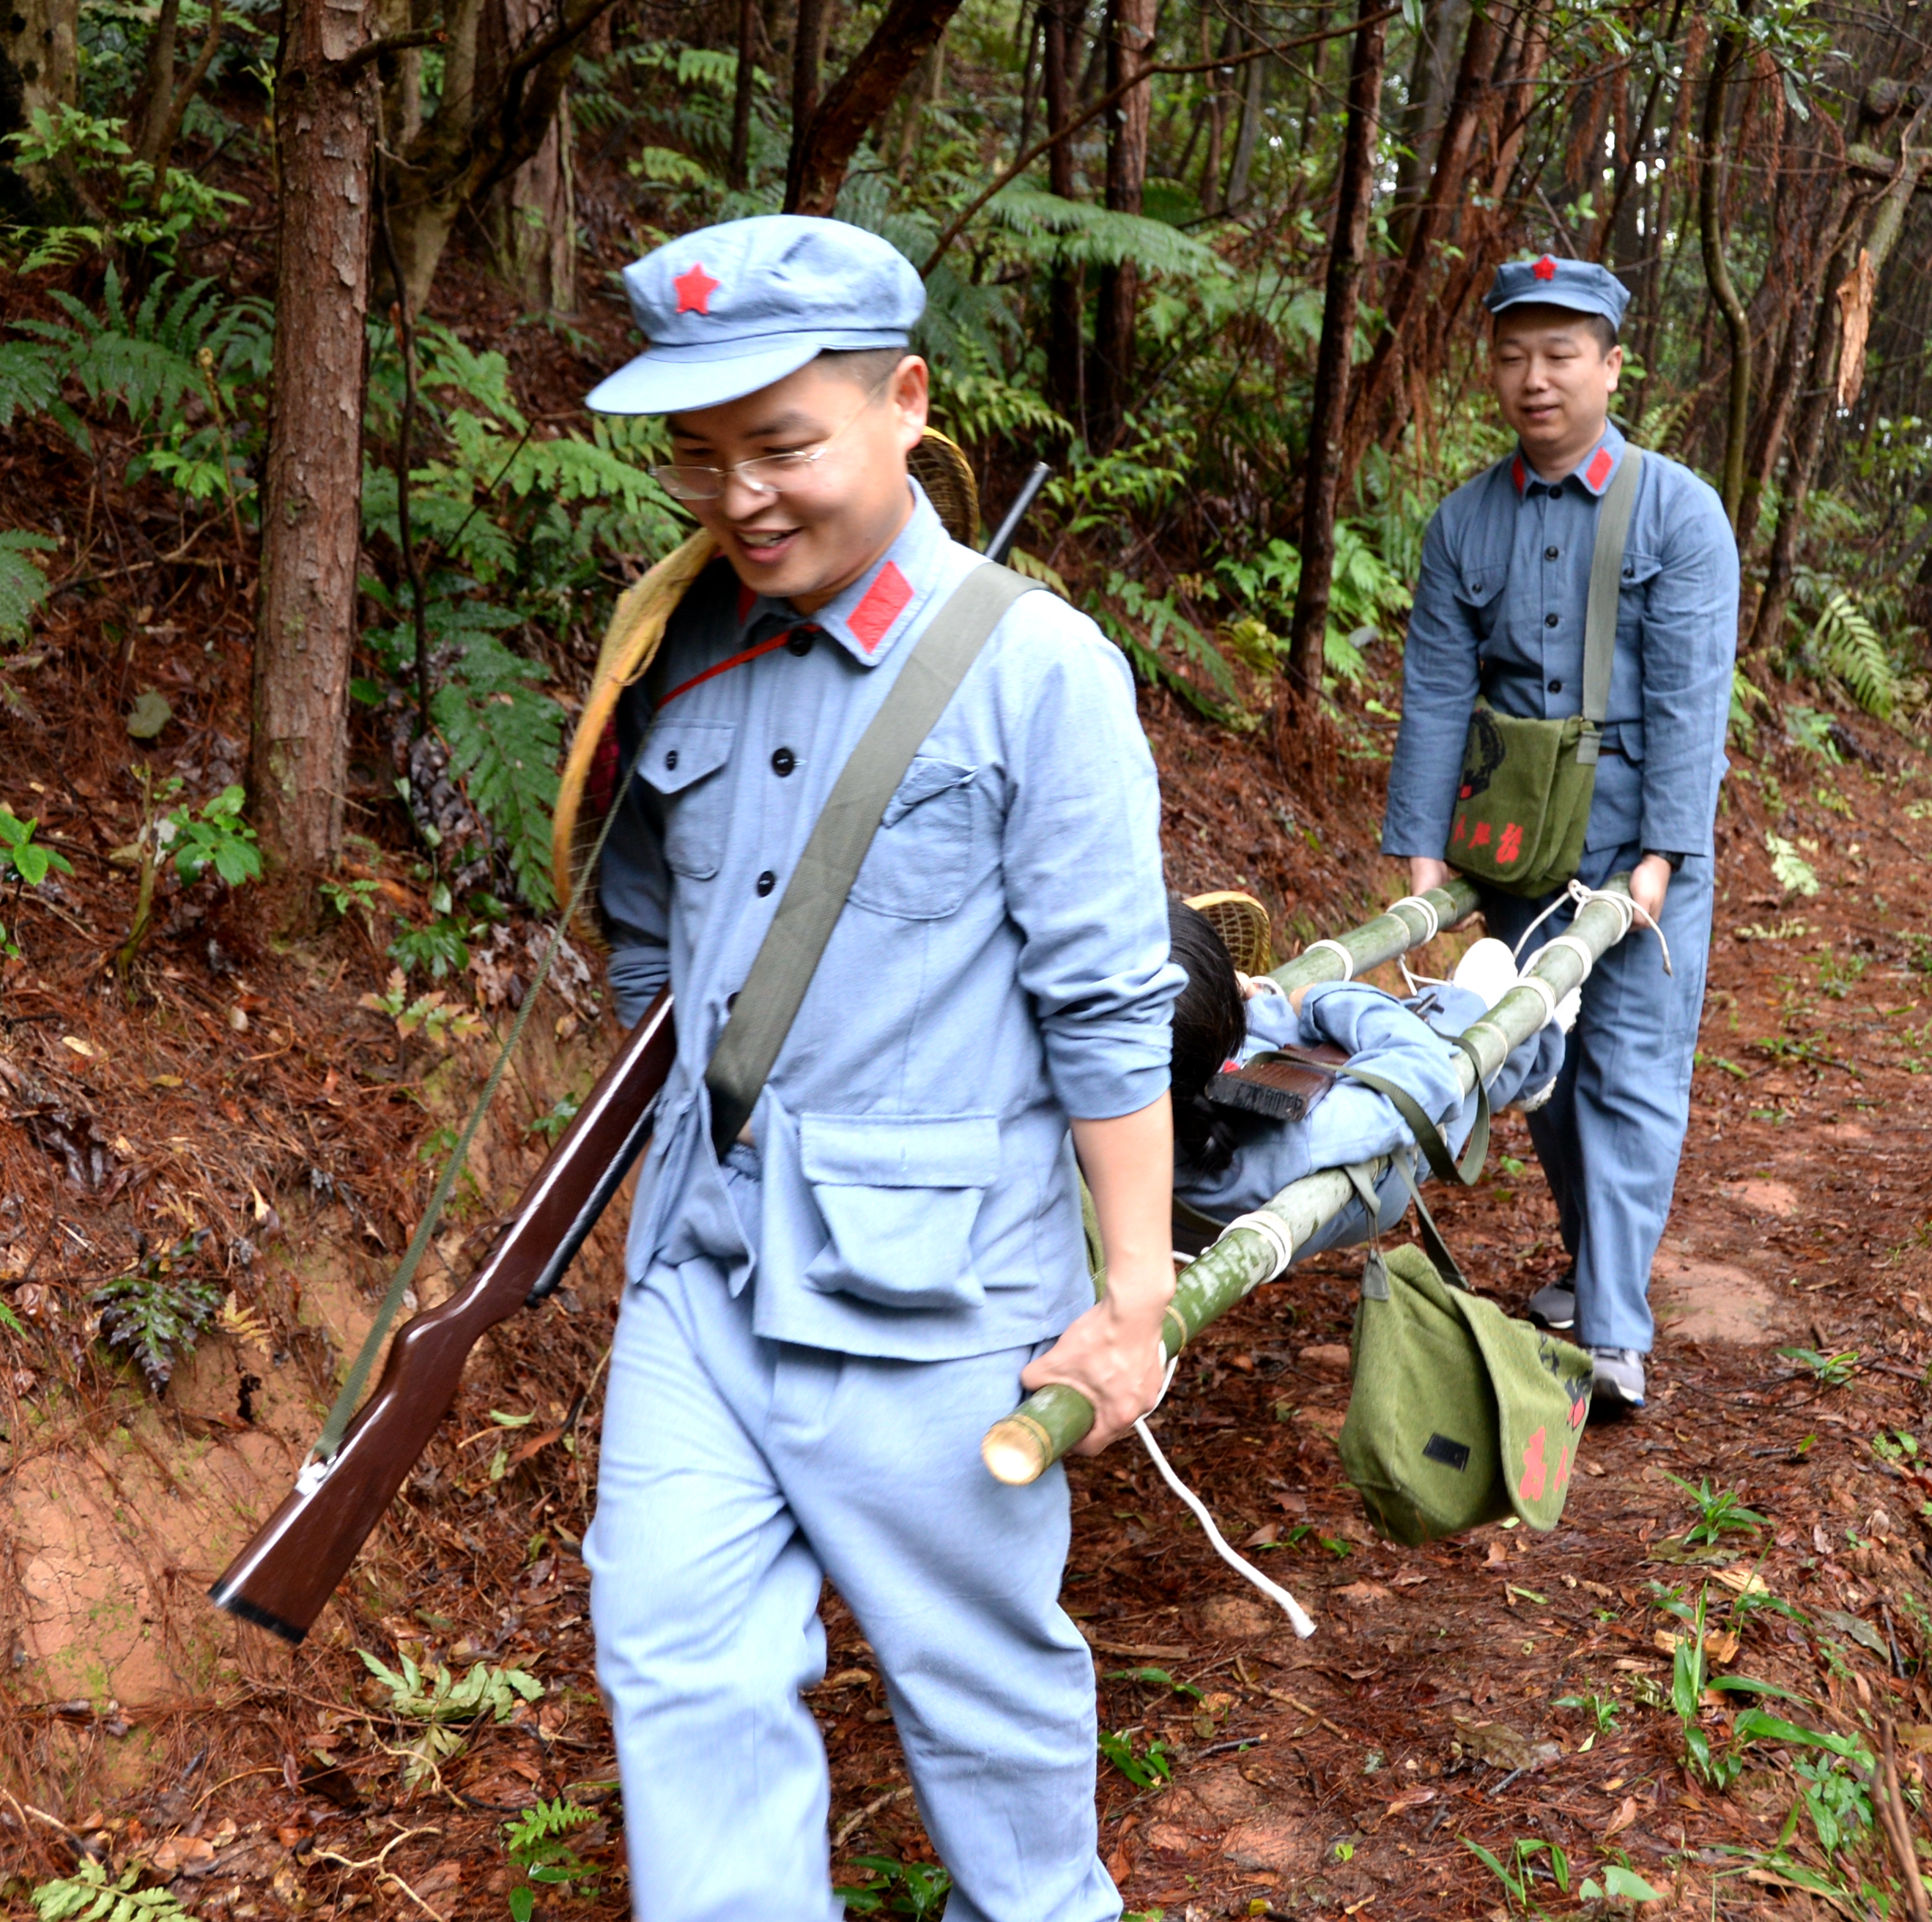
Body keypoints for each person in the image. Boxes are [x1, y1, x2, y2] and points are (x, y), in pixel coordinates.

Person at [583, 214, 1178, 1922]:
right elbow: (647, 940)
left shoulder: (1038, 671)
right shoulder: (677, 643)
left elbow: (1104, 1003)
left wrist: (1128, 1290)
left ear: (905, 401)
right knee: (681, 1680)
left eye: (781, 445)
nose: (741, 496)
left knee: (990, 1731)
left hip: (933, 1313)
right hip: (696, 1288)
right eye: (700, 459)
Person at [1382, 255, 1740, 1414]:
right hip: (1515, 843)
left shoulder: (1677, 512)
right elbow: (1437, 688)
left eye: (1560, 354)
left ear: (1610, 365)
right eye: (1511, 354)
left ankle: (1616, 1335)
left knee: (1632, 1070)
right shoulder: (1463, 524)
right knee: (1548, 1074)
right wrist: (1425, 855)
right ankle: (1599, 1274)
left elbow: (1694, 699)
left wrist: (1661, 862)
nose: (1534, 380)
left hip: (1641, 844)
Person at [1165, 902, 1559, 1260]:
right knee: (1472, 1025)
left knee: (1380, 1034)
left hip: (1286, 1097)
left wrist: (1243, 1007)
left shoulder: (1139, 1106)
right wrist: (1316, 998)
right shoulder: (1285, 1137)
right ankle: (1540, 1043)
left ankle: (1529, 1058)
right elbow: (1425, 1076)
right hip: (1383, 1175)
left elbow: (1261, 1031)